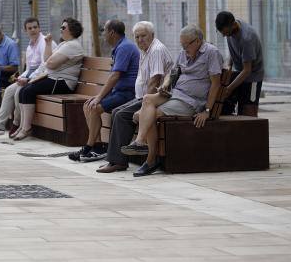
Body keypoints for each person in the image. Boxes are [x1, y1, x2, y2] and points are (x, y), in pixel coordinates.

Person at [121, 25, 223, 176]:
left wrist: (207, 111)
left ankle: (150, 160)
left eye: (186, 44)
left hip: (191, 100)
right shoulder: (184, 52)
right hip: (175, 93)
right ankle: (140, 142)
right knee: (148, 99)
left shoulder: (211, 53)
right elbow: (173, 72)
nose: (184, 48)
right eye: (182, 45)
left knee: (149, 115)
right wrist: (165, 84)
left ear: (198, 41)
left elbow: (216, 84)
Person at [97, 22, 173, 173]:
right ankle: (115, 159)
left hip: (154, 98)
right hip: (143, 97)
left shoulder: (156, 50)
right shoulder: (145, 50)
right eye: (137, 37)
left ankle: (118, 162)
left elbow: (155, 80)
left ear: (152, 35)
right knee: (117, 111)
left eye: (143, 36)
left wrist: (144, 105)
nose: (140, 40)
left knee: (120, 116)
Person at [69, 19, 140, 163]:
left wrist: (99, 97)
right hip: (118, 92)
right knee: (87, 105)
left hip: (128, 94)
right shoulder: (120, 47)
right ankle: (98, 146)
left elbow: (115, 76)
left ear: (112, 32)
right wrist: (98, 96)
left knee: (94, 108)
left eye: (104, 31)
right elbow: (113, 77)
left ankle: (89, 147)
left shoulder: (125, 47)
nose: (103, 35)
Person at [0, 17, 57, 135]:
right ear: (25, 31)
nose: (33, 30)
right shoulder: (30, 46)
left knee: (18, 92)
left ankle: (18, 124)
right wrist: (21, 77)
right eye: (29, 28)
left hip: (43, 77)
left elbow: (44, 65)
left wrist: (27, 79)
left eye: (35, 27)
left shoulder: (44, 42)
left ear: (39, 28)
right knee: (9, 91)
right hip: (31, 76)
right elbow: (28, 68)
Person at [14, 18, 85, 141]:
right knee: (24, 90)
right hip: (54, 78)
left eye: (63, 27)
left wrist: (49, 62)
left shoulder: (73, 45)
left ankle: (26, 128)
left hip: (63, 82)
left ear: (72, 30)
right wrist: (48, 44)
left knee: (28, 91)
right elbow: (48, 59)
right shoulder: (64, 44)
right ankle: (22, 127)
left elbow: (50, 64)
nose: (61, 30)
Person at [215, 11, 264, 117]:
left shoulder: (247, 39)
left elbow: (247, 70)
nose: (224, 35)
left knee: (248, 111)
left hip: (253, 77)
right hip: (239, 72)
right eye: (221, 33)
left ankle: (251, 132)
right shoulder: (230, 31)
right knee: (237, 109)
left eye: (225, 32)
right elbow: (234, 53)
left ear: (233, 25)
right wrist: (228, 70)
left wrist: (229, 89)